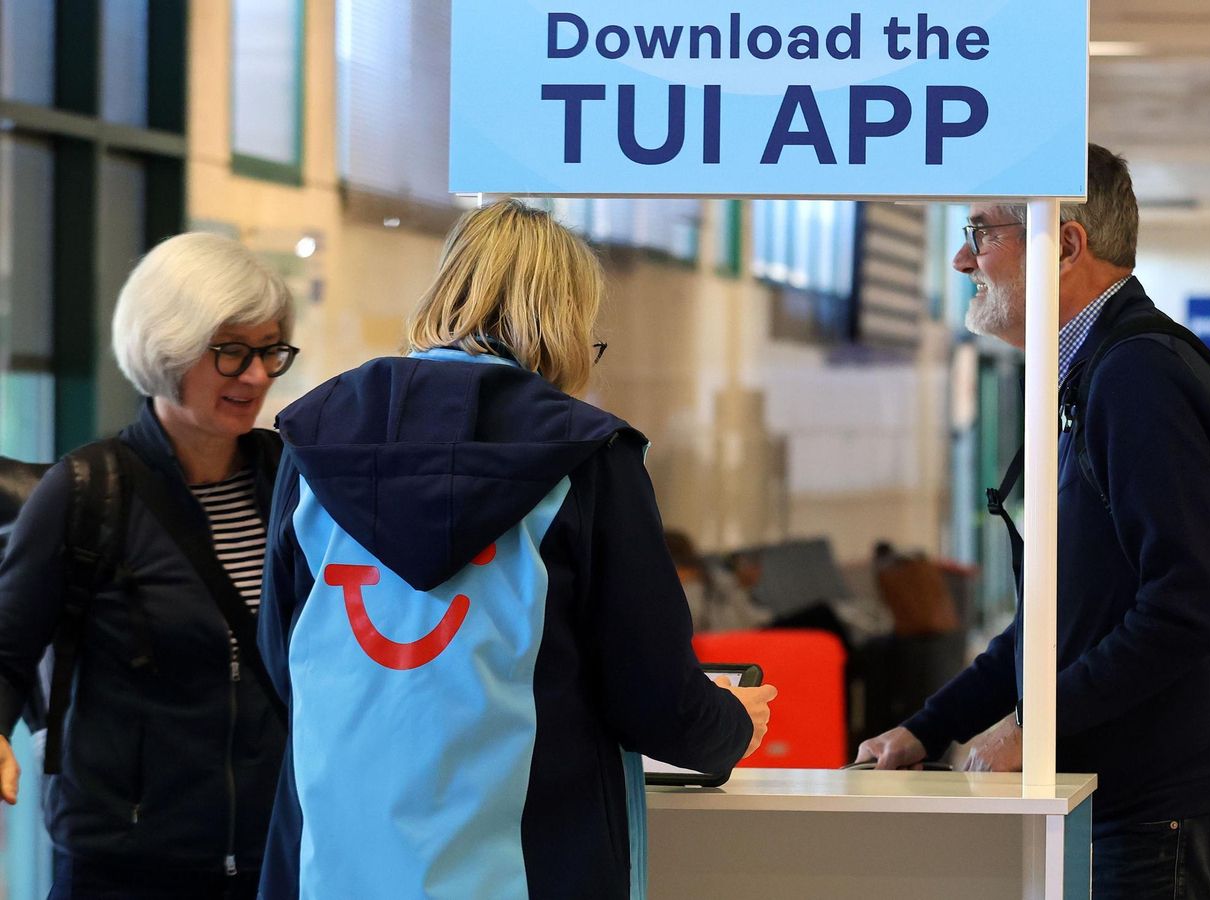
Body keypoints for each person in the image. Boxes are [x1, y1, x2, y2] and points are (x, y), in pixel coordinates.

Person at [257, 200, 776, 899]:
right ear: (562, 323)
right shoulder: (588, 457)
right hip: (530, 864)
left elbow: (281, 656)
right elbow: (651, 696)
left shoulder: (313, 438)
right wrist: (731, 726)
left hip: (331, 861)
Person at [856, 145, 1210, 899]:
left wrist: (1032, 729)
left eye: (981, 232)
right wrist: (928, 727)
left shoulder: (1137, 377)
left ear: (1063, 242)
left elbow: (1187, 606)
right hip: (1142, 804)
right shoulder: (1090, 378)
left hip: (1175, 808)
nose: (963, 259)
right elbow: (1056, 624)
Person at [0, 233, 296, 897]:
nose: (257, 375)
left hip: (270, 856)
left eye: (270, 350)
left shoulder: (291, 481)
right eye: (232, 353)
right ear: (168, 348)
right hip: (123, 866)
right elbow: (7, 650)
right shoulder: (88, 489)